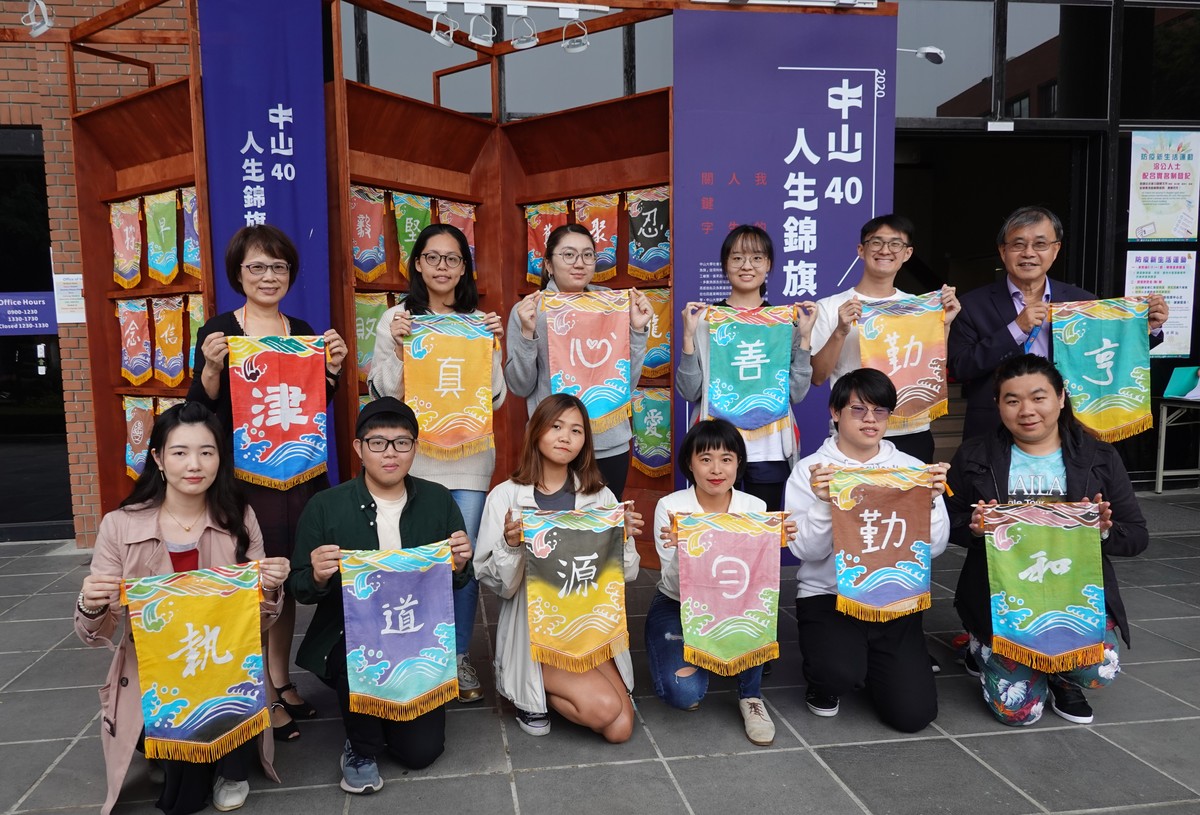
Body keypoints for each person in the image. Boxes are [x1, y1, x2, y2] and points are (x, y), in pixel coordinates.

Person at [75, 402, 291, 815]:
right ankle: (169, 751)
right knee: (184, 797)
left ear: (219, 458)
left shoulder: (240, 519)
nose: (194, 464)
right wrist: (90, 602)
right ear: (157, 458)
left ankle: (232, 768)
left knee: (208, 747)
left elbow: (260, 623)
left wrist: (268, 591)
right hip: (157, 674)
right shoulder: (119, 526)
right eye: (179, 452)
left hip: (224, 667)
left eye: (207, 452)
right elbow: (94, 633)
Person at [187, 224, 348, 740]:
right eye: (257, 266)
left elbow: (313, 406)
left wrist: (334, 371)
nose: (268, 276)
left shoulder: (301, 331)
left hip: (298, 472)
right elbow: (198, 409)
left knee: (289, 576)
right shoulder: (218, 330)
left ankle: (280, 680)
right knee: (254, 580)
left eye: (278, 267)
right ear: (238, 273)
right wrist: (212, 369)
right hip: (245, 476)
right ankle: (254, 690)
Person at [945, 354, 1149, 725]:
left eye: (1038, 397)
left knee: (1100, 669)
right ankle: (985, 645)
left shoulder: (1098, 457)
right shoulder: (976, 454)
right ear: (998, 405)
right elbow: (948, 521)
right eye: (1012, 400)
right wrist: (974, 529)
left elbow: (1136, 536)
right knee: (1018, 711)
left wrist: (1101, 530)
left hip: (1073, 591)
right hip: (1002, 596)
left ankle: (1059, 675)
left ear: (1060, 397)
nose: (1027, 410)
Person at [287, 397, 473, 794]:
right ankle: (361, 745)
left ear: (415, 449)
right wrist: (318, 576)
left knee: (421, 753)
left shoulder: (438, 500)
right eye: (378, 442)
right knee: (361, 678)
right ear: (358, 448)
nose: (390, 453)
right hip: (352, 636)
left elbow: (458, 582)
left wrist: (459, 564)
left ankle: (389, 711)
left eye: (402, 442)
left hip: (415, 635)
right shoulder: (325, 506)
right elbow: (299, 587)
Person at [367, 223, 505, 704]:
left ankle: (458, 654)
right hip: (413, 461)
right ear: (418, 264)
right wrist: (405, 349)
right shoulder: (396, 320)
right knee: (413, 560)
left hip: (469, 460)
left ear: (463, 267)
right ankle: (415, 648)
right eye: (433, 257)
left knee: (459, 560)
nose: (442, 267)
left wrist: (492, 345)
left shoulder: (479, 320)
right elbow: (382, 394)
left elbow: (496, 395)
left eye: (452, 259)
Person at [784, 369, 950, 732]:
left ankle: (879, 662)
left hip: (893, 598)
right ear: (835, 412)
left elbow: (934, 549)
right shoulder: (809, 471)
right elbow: (805, 551)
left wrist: (931, 504)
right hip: (830, 596)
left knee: (913, 716)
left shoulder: (911, 469)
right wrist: (824, 503)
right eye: (859, 410)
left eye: (881, 411)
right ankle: (831, 676)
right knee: (837, 675)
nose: (871, 420)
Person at [474, 393, 642, 741]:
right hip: (538, 633)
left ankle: (550, 692)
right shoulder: (505, 497)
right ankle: (530, 695)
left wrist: (622, 538)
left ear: (585, 442)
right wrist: (511, 545)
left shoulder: (600, 496)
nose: (566, 437)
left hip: (587, 627)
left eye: (577, 431)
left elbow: (625, 575)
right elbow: (500, 586)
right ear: (536, 431)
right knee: (607, 710)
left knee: (621, 729)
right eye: (556, 426)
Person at [948, 206, 1169, 439]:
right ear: (1003, 251)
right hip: (995, 426)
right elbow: (960, 367)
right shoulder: (972, 305)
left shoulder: (1082, 301)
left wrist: (1151, 328)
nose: (1028, 253)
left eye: (1040, 244)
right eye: (1018, 244)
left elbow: (1110, 350)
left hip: (1070, 424)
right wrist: (1015, 330)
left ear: (1056, 250)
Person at [647, 418, 797, 746]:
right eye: (705, 459)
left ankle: (751, 696)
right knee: (684, 693)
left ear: (738, 464)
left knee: (758, 604)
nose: (717, 469)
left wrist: (779, 542)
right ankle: (710, 655)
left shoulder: (754, 508)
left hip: (738, 602)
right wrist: (679, 549)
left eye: (726, 459)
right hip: (679, 604)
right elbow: (673, 579)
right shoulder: (671, 507)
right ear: (690, 463)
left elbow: (762, 579)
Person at [505, 224, 654, 499]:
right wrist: (527, 334)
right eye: (569, 255)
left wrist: (636, 331)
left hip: (608, 443)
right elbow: (520, 386)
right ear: (548, 264)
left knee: (603, 531)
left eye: (588, 255)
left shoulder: (611, 305)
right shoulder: (531, 309)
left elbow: (626, 384)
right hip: (554, 445)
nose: (580, 263)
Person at [677, 224, 818, 511]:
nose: (747, 266)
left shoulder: (783, 322)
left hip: (770, 446)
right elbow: (690, 391)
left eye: (756, 258)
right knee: (714, 530)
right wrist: (689, 337)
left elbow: (797, 394)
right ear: (725, 265)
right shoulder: (706, 319)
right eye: (737, 258)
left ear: (768, 265)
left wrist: (804, 339)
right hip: (714, 447)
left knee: (761, 532)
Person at [810, 214, 961, 463]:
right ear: (861, 249)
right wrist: (840, 331)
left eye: (895, 244)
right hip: (855, 429)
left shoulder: (918, 307)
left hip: (912, 429)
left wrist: (944, 325)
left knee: (909, 502)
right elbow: (817, 377)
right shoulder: (831, 306)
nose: (885, 250)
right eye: (876, 242)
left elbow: (931, 369)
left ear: (908, 253)